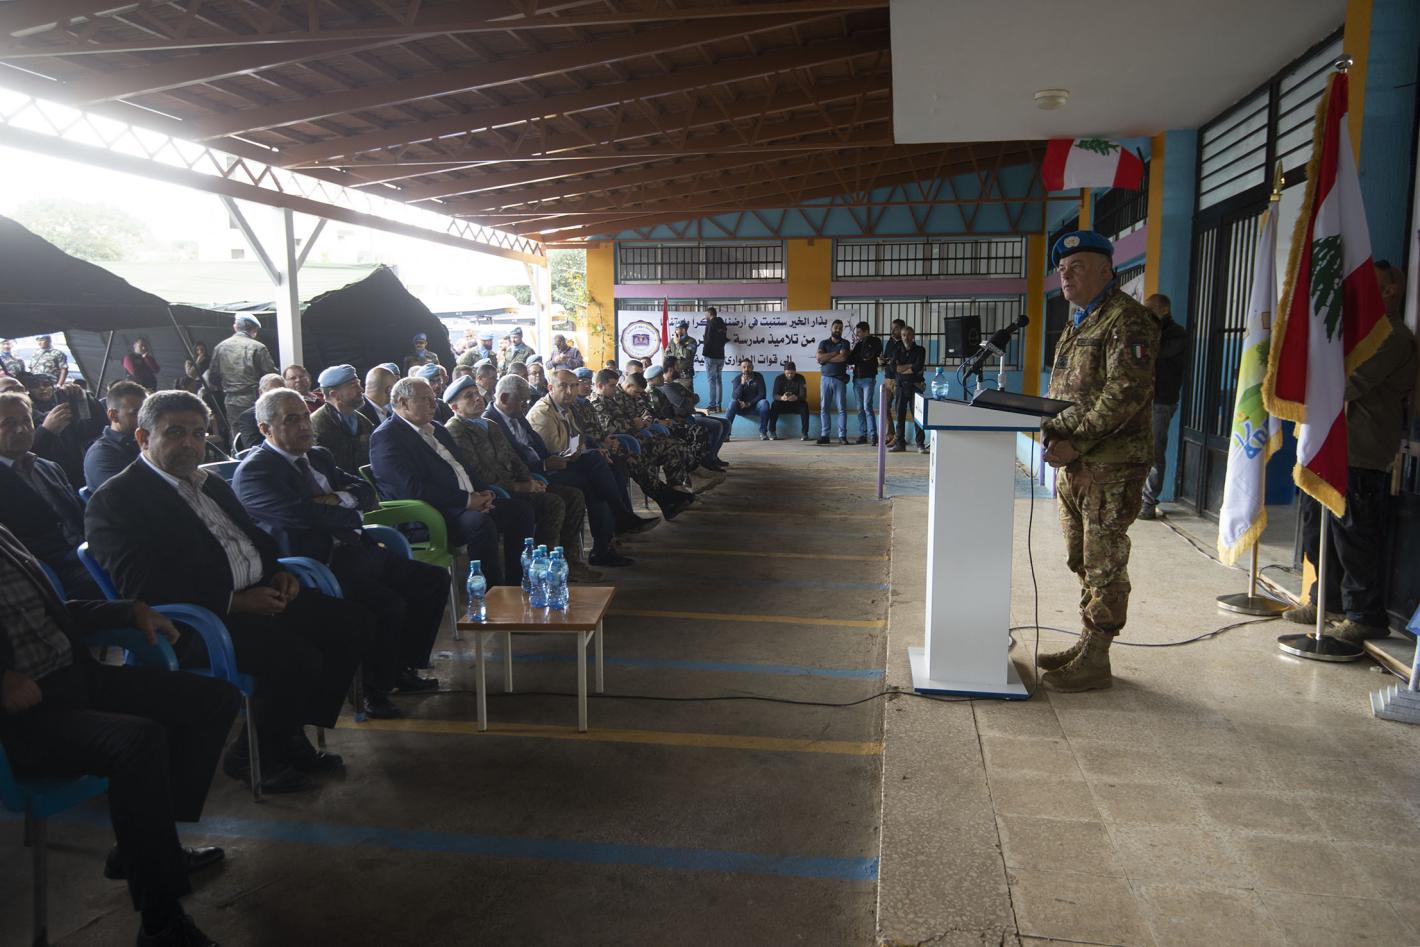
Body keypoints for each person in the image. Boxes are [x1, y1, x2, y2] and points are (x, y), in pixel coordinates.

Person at [85, 390, 372, 792]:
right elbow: (143, 587)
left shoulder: (211, 483)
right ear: (143, 437)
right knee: (294, 657)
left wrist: (276, 573)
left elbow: (256, 538)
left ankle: (288, 732)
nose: (190, 443)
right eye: (175, 432)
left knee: (351, 622)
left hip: (256, 595)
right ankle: (254, 756)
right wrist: (233, 602)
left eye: (198, 433)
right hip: (195, 620)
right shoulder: (118, 500)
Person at [0, 523, 239, 947]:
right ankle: (161, 925)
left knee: (215, 699)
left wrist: (129, 611)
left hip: (72, 678)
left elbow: (55, 611)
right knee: (137, 741)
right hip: (22, 718)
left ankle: (145, 848)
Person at [233, 389, 446, 716]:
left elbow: (367, 491)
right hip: (318, 563)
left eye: (306, 416)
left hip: (356, 547)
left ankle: (402, 667)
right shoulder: (256, 472)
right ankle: (374, 690)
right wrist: (346, 509)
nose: (305, 425)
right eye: (291, 420)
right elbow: (304, 516)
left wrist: (337, 500)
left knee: (432, 580)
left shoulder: (318, 456)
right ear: (265, 428)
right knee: (388, 604)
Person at [1038, 231, 1160, 692]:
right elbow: (1063, 390)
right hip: (1076, 462)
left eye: (1077, 267)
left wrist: (1077, 442)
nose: (1066, 276)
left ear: (1107, 269)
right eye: (1062, 269)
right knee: (1081, 558)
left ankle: (1097, 657)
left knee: (1104, 560)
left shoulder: (1127, 319)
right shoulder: (1079, 322)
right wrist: (1053, 434)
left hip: (1111, 463)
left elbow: (1125, 393)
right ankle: (1087, 640)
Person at [1288, 261, 1417, 643]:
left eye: (1368, 287)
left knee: (1354, 538)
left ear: (1391, 290)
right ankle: (1326, 601)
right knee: (1318, 532)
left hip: (1360, 450)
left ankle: (1364, 615)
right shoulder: (1355, 335)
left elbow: (1349, 384)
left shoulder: (1392, 337)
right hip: (1328, 446)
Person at [369, 377, 534, 585]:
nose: (434, 404)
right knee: (481, 524)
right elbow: (412, 489)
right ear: (403, 403)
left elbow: (464, 467)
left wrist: (484, 493)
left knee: (520, 511)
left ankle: (517, 583)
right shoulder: (387, 437)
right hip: (429, 514)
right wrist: (467, 500)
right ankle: (491, 593)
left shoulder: (437, 428)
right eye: (426, 399)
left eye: (433, 398)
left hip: (463, 503)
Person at [443, 376, 599, 581]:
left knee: (574, 496)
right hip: (496, 492)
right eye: (468, 396)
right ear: (454, 406)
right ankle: (539, 569)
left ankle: (568, 559)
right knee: (552, 504)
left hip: (518, 485)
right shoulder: (455, 430)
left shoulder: (490, 424)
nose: (477, 398)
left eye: (476, 393)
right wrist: (519, 486)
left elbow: (514, 458)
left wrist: (531, 481)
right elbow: (478, 473)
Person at [488, 375, 650, 567]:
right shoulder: (493, 423)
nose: (526, 406)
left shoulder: (518, 415)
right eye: (523, 402)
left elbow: (561, 442)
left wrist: (579, 451)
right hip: (536, 474)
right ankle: (612, 530)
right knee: (594, 480)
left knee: (603, 465)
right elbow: (511, 464)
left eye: (573, 386)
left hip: (551, 463)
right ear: (504, 398)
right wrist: (546, 464)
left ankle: (609, 537)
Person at [532, 368, 690, 522]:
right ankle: (642, 507)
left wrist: (604, 441)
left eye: (574, 385)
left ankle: (652, 503)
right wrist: (598, 445)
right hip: (566, 462)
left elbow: (583, 434)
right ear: (551, 388)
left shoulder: (576, 406)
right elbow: (560, 449)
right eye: (565, 385)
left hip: (595, 447)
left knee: (625, 459)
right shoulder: (551, 410)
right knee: (620, 462)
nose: (571, 390)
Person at [0, 390, 103, 598]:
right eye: (9, 423)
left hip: (92, 553)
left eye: (26, 420)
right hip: (51, 576)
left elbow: (80, 516)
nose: (21, 429)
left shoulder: (48, 468)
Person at [1139, 295, 1188, 519]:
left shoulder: (1176, 334)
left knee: (1154, 452)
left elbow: (1155, 353)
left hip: (1161, 401)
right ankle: (1137, 499)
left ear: (1164, 309)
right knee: (1139, 450)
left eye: (1150, 309)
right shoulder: (1151, 331)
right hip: (1144, 399)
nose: (1146, 313)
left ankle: (1148, 503)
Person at [208, 314, 277, 423]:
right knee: (257, 428)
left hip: (230, 400)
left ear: (235, 327)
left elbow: (212, 377)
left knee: (236, 430)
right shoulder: (258, 347)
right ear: (254, 330)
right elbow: (271, 376)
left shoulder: (220, 347)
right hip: (253, 399)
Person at [311, 363, 375, 474]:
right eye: (354, 386)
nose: (361, 389)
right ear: (334, 394)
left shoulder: (365, 422)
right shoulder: (316, 425)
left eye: (359, 384)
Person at [84, 379, 146, 490]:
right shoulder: (101, 455)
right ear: (113, 415)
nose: (144, 419)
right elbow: (128, 496)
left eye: (146, 414)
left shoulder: (145, 442)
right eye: (136, 413)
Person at [889, 326, 927, 453]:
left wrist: (903, 368)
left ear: (913, 336)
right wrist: (910, 366)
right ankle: (900, 444)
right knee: (900, 416)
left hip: (915, 387)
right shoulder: (897, 350)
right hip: (900, 387)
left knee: (918, 416)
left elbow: (918, 367)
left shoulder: (920, 350)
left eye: (909, 335)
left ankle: (920, 444)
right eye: (904, 335)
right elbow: (894, 368)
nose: (906, 337)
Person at [815, 319, 851, 444]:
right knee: (824, 408)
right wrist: (835, 353)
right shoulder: (823, 343)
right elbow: (819, 358)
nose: (838, 330)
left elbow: (843, 357)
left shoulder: (845, 343)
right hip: (825, 379)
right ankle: (825, 435)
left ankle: (842, 436)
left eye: (840, 328)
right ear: (831, 328)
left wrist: (826, 358)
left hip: (839, 380)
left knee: (841, 409)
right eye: (836, 327)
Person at [232, 373, 286, 453]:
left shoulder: (293, 412)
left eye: (282, 392)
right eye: (273, 392)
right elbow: (253, 448)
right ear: (261, 392)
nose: (278, 397)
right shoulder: (249, 417)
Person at [849, 321, 883, 445]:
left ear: (866, 331)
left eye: (859, 332)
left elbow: (869, 355)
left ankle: (873, 435)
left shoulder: (875, 341)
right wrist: (859, 357)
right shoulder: (858, 344)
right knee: (859, 408)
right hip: (857, 379)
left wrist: (859, 357)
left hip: (868, 378)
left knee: (867, 407)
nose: (857, 334)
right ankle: (863, 434)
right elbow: (850, 359)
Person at [724, 358, 770, 440]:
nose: (746, 369)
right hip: (741, 408)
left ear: (752, 367)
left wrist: (749, 403)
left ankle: (763, 432)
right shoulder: (737, 379)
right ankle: (726, 434)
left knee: (764, 403)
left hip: (755, 407)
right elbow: (735, 396)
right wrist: (742, 384)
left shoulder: (758, 376)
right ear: (741, 369)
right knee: (732, 403)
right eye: (744, 367)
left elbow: (762, 394)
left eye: (748, 367)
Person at [879, 318, 907, 447]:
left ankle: (899, 437)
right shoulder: (890, 342)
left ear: (902, 329)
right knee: (884, 407)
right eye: (892, 328)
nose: (892, 330)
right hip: (888, 378)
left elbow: (903, 362)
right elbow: (886, 358)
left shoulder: (905, 343)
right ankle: (890, 434)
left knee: (899, 409)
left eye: (895, 328)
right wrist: (882, 361)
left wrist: (893, 362)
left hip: (899, 379)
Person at [768, 360, 811, 440]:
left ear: (795, 371)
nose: (790, 375)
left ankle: (805, 433)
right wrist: (782, 397)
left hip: (796, 404)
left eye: (792, 373)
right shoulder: (779, 378)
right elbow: (774, 395)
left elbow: (803, 395)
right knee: (774, 404)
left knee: (805, 405)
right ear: (784, 372)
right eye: (787, 373)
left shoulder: (801, 378)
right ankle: (772, 432)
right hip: (783, 404)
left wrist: (796, 397)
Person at [701, 306, 729, 412]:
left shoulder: (710, 323)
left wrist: (704, 353)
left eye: (706, 314)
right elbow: (724, 339)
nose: (705, 316)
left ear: (710, 314)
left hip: (711, 357)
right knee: (719, 381)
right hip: (721, 356)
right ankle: (718, 405)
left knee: (711, 381)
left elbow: (708, 340)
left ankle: (712, 405)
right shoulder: (722, 324)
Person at [665, 319, 699, 391]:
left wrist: (678, 344)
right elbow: (666, 355)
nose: (675, 331)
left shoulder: (691, 341)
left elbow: (686, 355)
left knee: (687, 396)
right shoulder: (672, 341)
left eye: (677, 329)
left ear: (683, 330)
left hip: (685, 377)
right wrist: (679, 355)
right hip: (673, 376)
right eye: (676, 329)